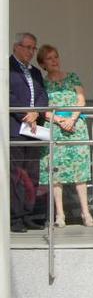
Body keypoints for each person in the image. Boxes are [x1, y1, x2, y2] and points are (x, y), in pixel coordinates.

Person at [36, 45, 93, 228]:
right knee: (56, 172)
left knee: (80, 171)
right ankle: (60, 215)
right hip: (54, 127)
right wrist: (60, 121)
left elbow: (81, 100)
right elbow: (42, 109)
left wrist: (71, 118)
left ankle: (86, 213)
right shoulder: (43, 83)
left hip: (76, 126)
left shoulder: (72, 76)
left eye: (56, 56)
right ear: (42, 64)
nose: (54, 60)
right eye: (49, 58)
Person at [9, 32, 49, 232]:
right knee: (16, 175)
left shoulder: (34, 72)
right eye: (27, 47)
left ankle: (29, 215)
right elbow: (7, 96)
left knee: (31, 174)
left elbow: (43, 95)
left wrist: (35, 113)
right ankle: (15, 217)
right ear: (16, 47)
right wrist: (26, 114)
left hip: (33, 129)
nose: (31, 52)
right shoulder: (6, 67)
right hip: (16, 128)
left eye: (34, 48)